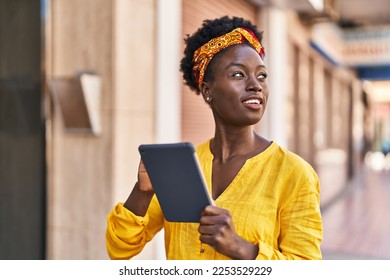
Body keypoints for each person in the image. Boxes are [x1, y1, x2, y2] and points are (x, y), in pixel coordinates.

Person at [105, 15, 323, 260]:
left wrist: (242, 248)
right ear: (208, 91)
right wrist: (142, 192)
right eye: (238, 75)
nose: (255, 85)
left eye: (261, 75)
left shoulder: (294, 174)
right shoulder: (184, 166)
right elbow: (120, 249)